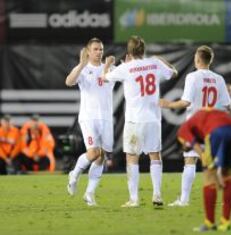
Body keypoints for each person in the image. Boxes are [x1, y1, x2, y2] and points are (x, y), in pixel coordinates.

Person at [102, 35, 177, 207]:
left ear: (128, 51)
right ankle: (157, 195)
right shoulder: (154, 63)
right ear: (144, 50)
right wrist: (161, 59)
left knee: (132, 157)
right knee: (155, 156)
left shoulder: (127, 67)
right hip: (153, 120)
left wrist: (108, 63)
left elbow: (105, 77)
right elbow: (174, 73)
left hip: (134, 121)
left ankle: (134, 199)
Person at [160, 45, 231, 206]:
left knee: (190, 160)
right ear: (210, 60)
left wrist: (168, 104)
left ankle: (184, 200)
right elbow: (226, 105)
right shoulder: (219, 79)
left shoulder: (192, 77)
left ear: (198, 59)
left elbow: (186, 102)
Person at [65, 37, 115, 206]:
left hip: (106, 119)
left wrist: (109, 67)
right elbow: (69, 82)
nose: (99, 52)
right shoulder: (83, 69)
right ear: (88, 51)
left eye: (101, 49)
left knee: (102, 156)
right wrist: (80, 65)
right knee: (93, 153)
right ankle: (75, 173)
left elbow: (110, 79)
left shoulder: (109, 69)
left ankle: (89, 193)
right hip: (88, 117)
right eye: (95, 49)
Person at [177, 108, 231, 232]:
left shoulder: (182, 131)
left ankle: (209, 223)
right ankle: (225, 222)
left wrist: (209, 166)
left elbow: (198, 149)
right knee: (229, 176)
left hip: (217, 131)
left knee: (209, 178)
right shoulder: (205, 118)